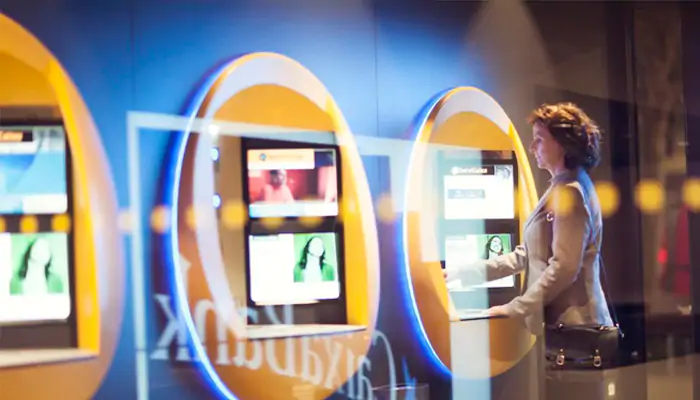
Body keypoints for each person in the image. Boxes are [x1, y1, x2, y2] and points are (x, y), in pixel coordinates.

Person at [444, 102, 615, 400]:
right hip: (569, 332)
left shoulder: (570, 192)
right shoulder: (563, 187)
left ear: (561, 144)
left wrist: (517, 306)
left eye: (538, 138)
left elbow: (564, 267)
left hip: (576, 332)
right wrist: (462, 272)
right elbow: (527, 254)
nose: (532, 146)